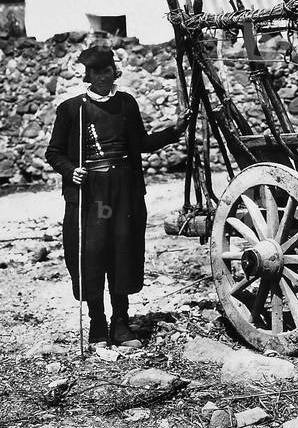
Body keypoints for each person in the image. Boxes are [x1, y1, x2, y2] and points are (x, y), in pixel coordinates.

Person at [46, 46, 190, 351]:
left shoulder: (126, 103)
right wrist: (71, 171)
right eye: (95, 73)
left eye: (106, 71)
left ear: (115, 72)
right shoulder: (73, 109)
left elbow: (141, 143)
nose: (101, 78)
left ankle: (121, 323)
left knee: (122, 251)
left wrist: (173, 131)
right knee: (93, 253)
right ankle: (97, 323)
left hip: (124, 190)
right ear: (87, 75)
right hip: (92, 194)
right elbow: (54, 152)